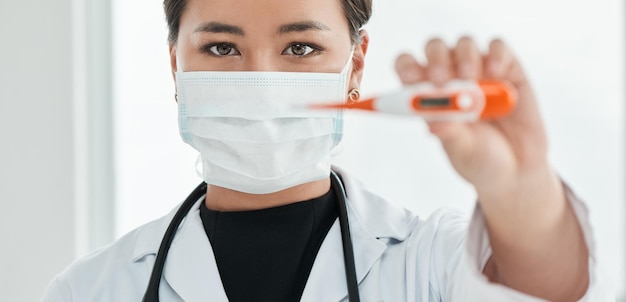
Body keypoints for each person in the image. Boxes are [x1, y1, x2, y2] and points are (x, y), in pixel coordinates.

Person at [42, 0, 610, 301]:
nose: (262, 81)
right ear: (175, 66)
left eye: (300, 47)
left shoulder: (426, 264)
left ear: (354, 66)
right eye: (221, 47)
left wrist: (521, 188)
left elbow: (548, 292)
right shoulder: (89, 291)